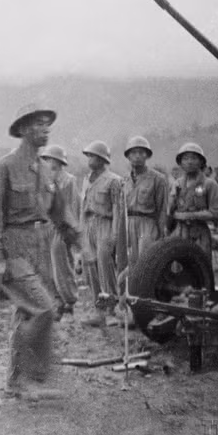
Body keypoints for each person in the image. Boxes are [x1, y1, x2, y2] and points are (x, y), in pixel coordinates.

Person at [0, 104, 78, 399]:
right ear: (24, 129)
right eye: (40, 123)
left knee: (27, 312)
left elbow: (61, 212)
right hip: (14, 247)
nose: (46, 128)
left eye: (48, 124)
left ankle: (18, 382)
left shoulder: (46, 168)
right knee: (43, 309)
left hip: (40, 245)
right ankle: (29, 378)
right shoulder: (5, 167)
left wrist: (80, 242)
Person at [80, 140, 122, 327]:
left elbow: (118, 210)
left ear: (102, 159)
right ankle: (99, 310)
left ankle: (112, 309)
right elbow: (82, 207)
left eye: (93, 156)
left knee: (105, 266)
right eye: (88, 155)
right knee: (91, 267)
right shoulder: (86, 179)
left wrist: (114, 235)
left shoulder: (114, 180)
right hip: (89, 224)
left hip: (105, 224)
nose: (90, 159)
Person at [39, 144, 81, 320]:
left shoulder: (68, 180)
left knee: (62, 265)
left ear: (60, 161)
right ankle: (56, 302)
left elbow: (72, 206)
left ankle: (69, 302)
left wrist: (71, 229)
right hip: (45, 226)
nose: (49, 163)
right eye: (46, 159)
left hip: (62, 227)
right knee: (46, 267)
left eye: (52, 159)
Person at [170, 143, 218, 256]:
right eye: (185, 158)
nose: (189, 162)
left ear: (201, 162)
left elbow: (216, 212)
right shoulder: (177, 184)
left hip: (199, 233)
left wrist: (190, 215)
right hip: (179, 232)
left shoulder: (210, 184)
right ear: (180, 163)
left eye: (193, 158)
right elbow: (169, 210)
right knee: (178, 267)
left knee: (200, 268)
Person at [121, 136, 168, 268]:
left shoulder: (158, 179)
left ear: (147, 156)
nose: (137, 156)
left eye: (141, 153)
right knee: (129, 264)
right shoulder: (124, 180)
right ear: (128, 156)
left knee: (146, 262)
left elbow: (162, 209)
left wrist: (161, 233)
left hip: (148, 224)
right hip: (128, 224)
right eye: (134, 153)